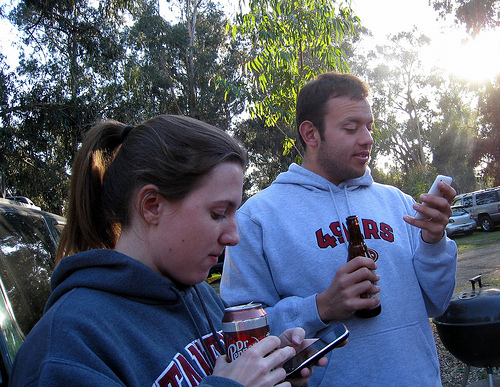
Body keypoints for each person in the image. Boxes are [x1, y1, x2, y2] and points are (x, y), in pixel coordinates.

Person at [9, 115, 324, 386]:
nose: (233, 237)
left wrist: (269, 370)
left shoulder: (201, 297)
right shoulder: (67, 348)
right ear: (152, 206)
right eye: (218, 214)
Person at [220, 72, 458, 386]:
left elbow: (436, 303)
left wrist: (433, 241)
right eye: (351, 128)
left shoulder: (399, 203)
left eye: (369, 126)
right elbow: (241, 338)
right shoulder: (258, 218)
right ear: (311, 134)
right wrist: (321, 307)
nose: (368, 139)